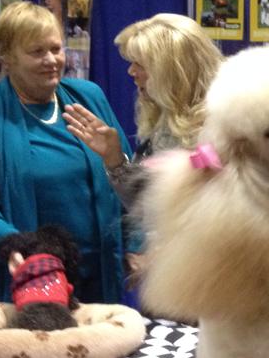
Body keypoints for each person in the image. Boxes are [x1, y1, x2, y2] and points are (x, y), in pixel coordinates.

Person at [0, 1, 133, 303]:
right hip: (32, 276)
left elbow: (125, 176)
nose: (52, 60)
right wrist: (13, 244)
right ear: (7, 57)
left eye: (56, 49)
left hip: (102, 274)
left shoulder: (89, 97)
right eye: (37, 52)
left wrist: (135, 243)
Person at [62, 12, 223, 211]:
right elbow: (143, 204)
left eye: (140, 64)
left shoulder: (223, 128)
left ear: (171, 69)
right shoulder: (167, 119)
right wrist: (114, 159)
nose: (131, 71)